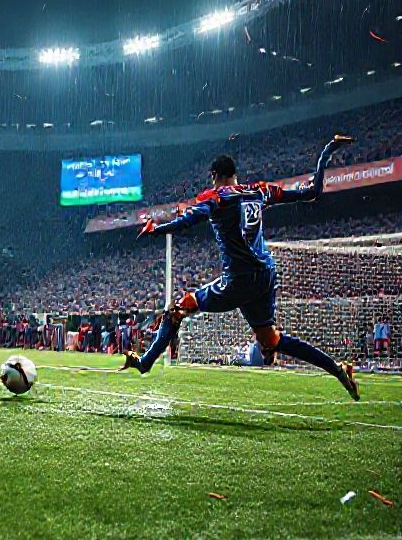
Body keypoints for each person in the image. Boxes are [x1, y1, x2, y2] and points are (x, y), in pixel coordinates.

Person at [121, 135, 360, 400]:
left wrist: (157, 229)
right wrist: (326, 152)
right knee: (270, 339)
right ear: (235, 174)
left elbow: (189, 220)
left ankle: (146, 362)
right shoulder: (259, 191)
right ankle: (336, 369)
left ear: (214, 175)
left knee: (178, 310)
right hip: (266, 275)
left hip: (238, 279)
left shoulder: (216, 198)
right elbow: (313, 192)